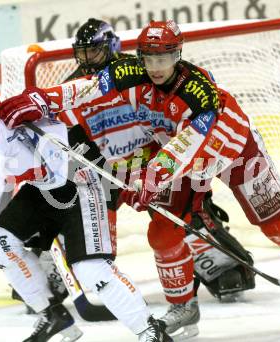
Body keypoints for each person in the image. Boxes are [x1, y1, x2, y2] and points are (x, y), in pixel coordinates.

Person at [0, 18, 280, 337]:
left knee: (275, 224)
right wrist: (41, 100)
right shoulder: (130, 71)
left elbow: (187, 143)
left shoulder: (198, 92)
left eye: (163, 58)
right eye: (148, 58)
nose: (155, 67)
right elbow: (85, 88)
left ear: (178, 54)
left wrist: (150, 178)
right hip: (178, 162)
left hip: (232, 149)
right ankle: (184, 306)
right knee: (162, 234)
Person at [0, 74, 171, 342]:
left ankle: (151, 330)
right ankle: (54, 316)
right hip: (46, 188)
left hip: (80, 181)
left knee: (90, 269)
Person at [66, 16, 256, 304]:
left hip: (151, 160)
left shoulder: (140, 70)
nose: (88, 58)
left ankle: (218, 265)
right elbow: (66, 126)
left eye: (93, 50)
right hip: (105, 166)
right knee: (79, 210)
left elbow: (180, 109)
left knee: (181, 216)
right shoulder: (76, 84)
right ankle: (70, 279)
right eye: (83, 52)